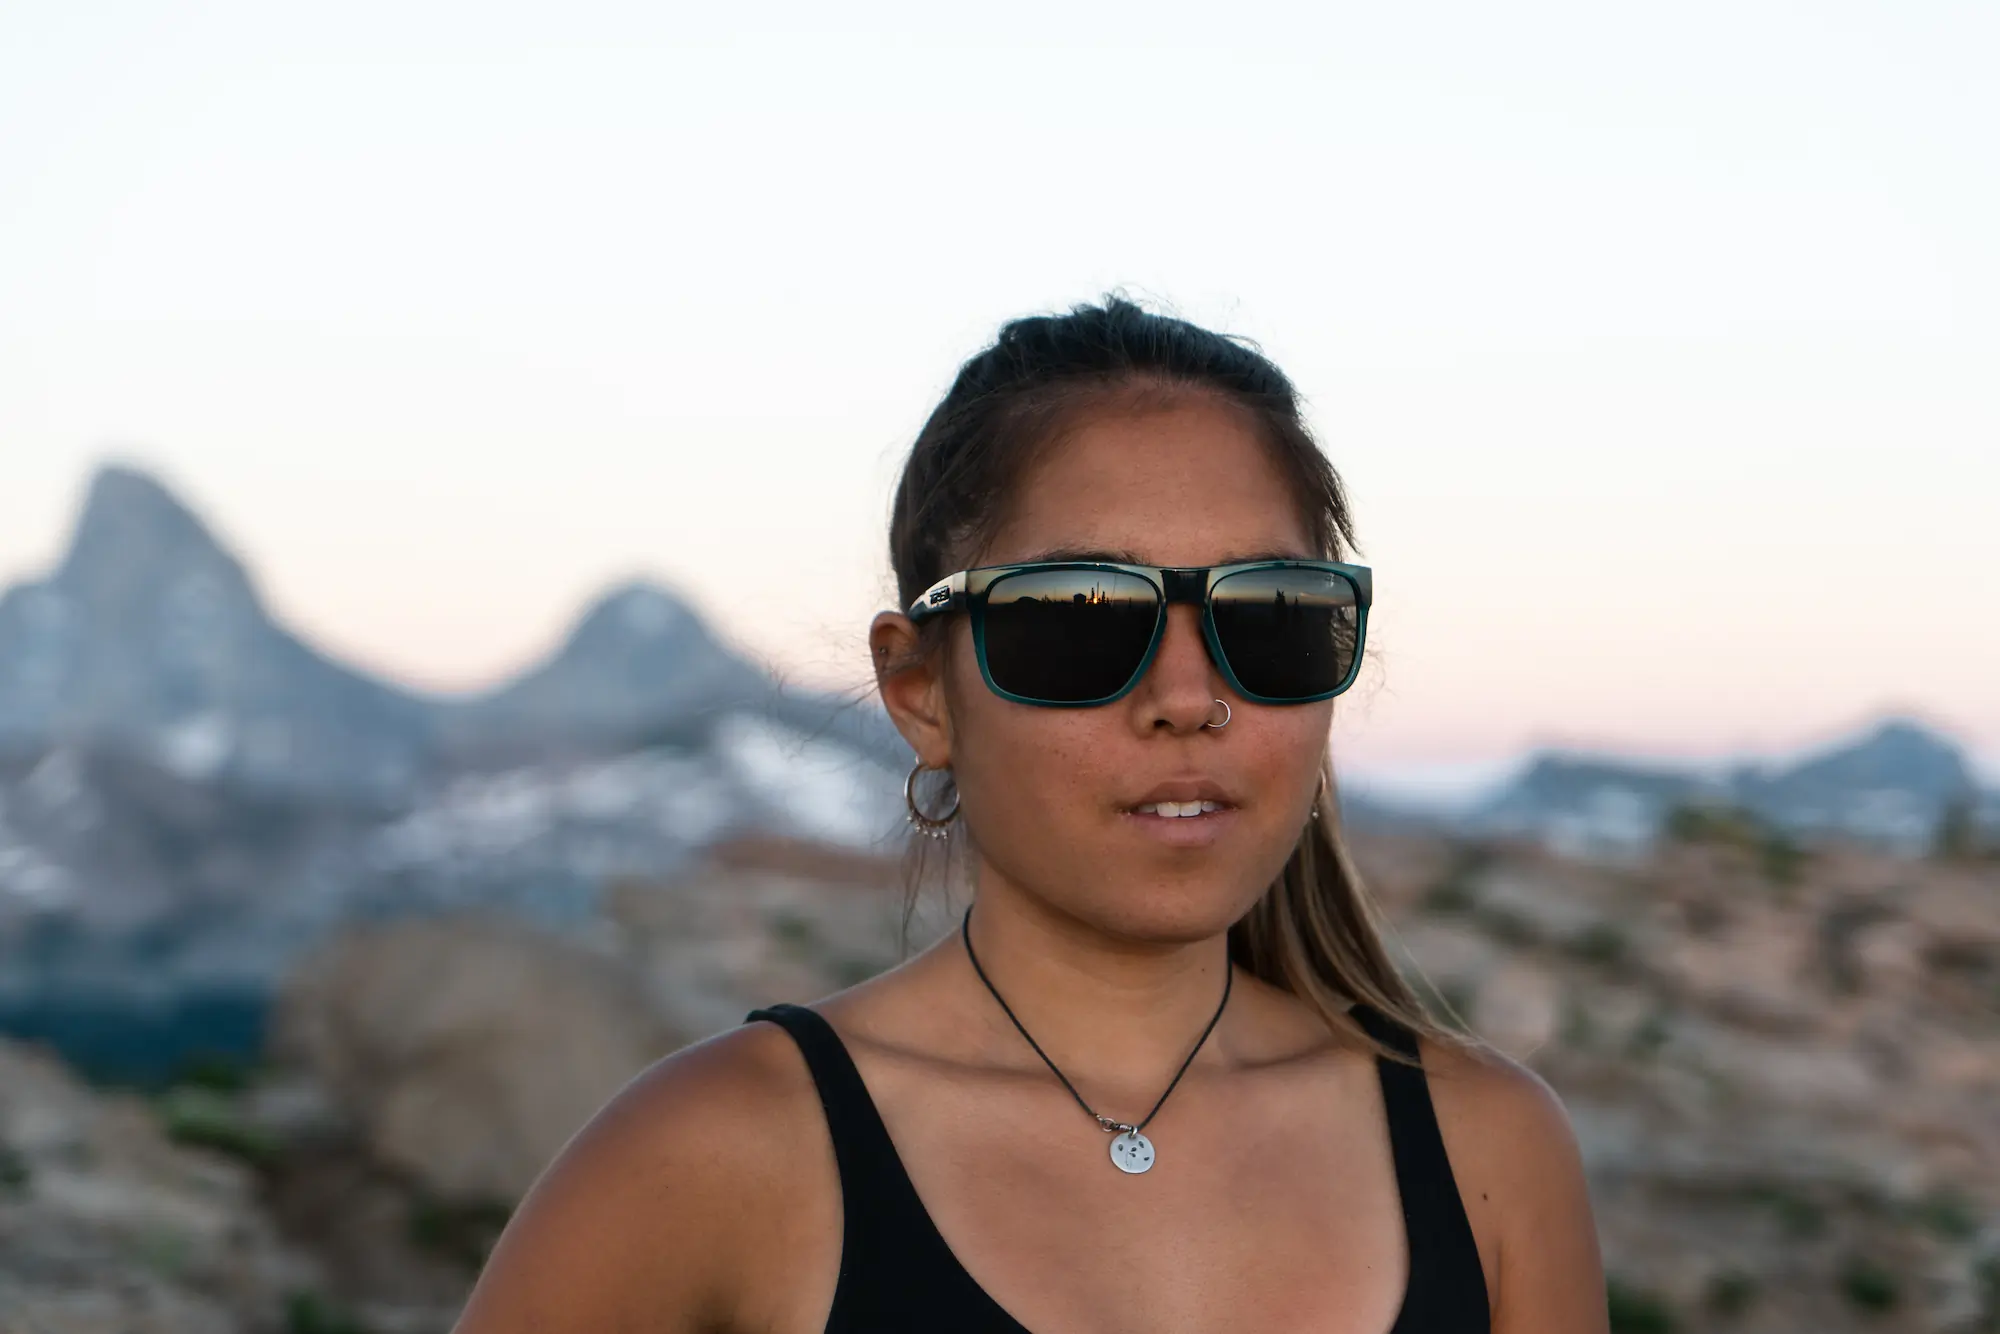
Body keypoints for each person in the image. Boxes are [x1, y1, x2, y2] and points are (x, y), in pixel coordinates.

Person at [452, 298, 1608, 1333]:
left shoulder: (1487, 1150)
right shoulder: (713, 1155)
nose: (1188, 696)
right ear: (921, 693)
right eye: (1076, 619)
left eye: (1269, 615)